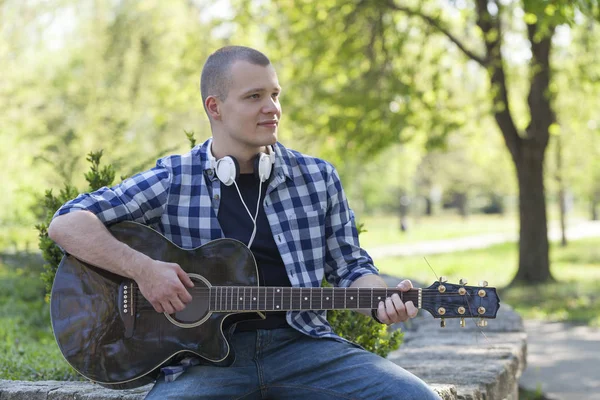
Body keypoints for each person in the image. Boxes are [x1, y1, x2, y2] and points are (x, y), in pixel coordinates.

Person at [48, 45, 440, 400]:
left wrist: (380, 301)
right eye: (254, 97)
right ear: (215, 107)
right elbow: (66, 224)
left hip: (305, 348)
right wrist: (144, 270)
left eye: (275, 94)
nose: (272, 107)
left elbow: (352, 267)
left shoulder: (317, 177)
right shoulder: (175, 178)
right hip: (205, 365)